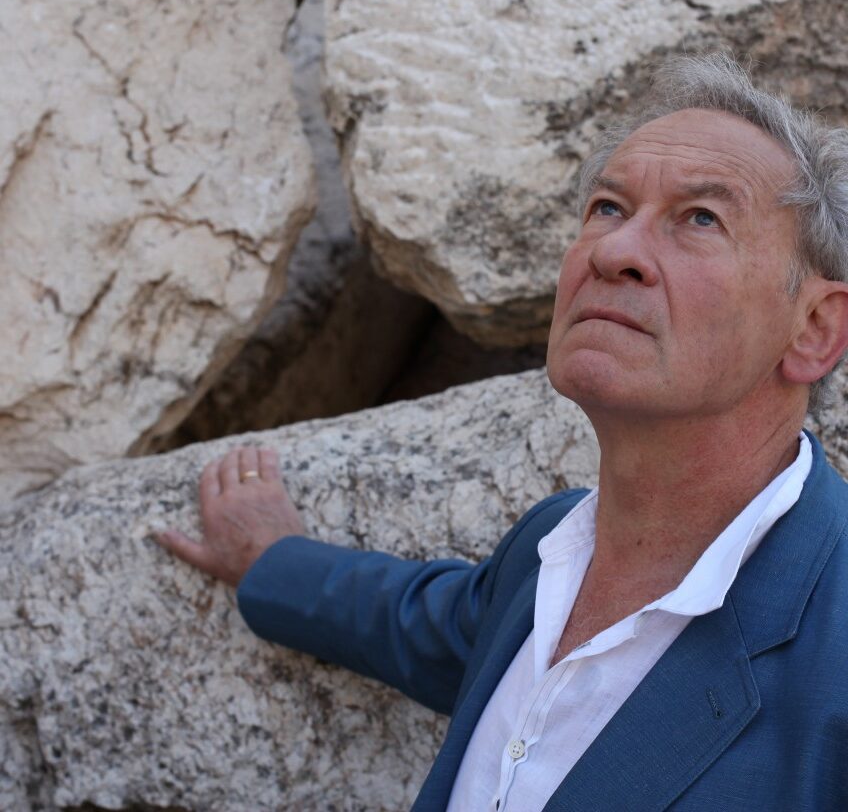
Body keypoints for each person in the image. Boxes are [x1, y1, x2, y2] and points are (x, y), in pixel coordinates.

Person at [156, 52, 848, 811]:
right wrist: (271, 560)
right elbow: (426, 621)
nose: (614, 251)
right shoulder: (547, 550)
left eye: (700, 219)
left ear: (814, 327)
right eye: (608, 208)